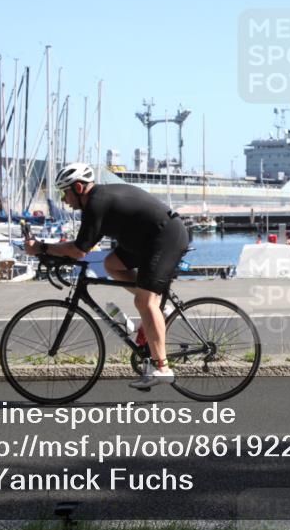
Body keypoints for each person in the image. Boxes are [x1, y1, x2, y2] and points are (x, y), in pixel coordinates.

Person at [23, 162, 190, 389]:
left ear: (79, 188)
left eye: (65, 193)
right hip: (147, 240)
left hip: (165, 238)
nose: (64, 200)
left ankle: (162, 368)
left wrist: (40, 248)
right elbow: (81, 248)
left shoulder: (96, 204)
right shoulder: (97, 200)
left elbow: (78, 250)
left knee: (144, 300)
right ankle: (160, 308)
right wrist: (50, 252)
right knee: (112, 264)